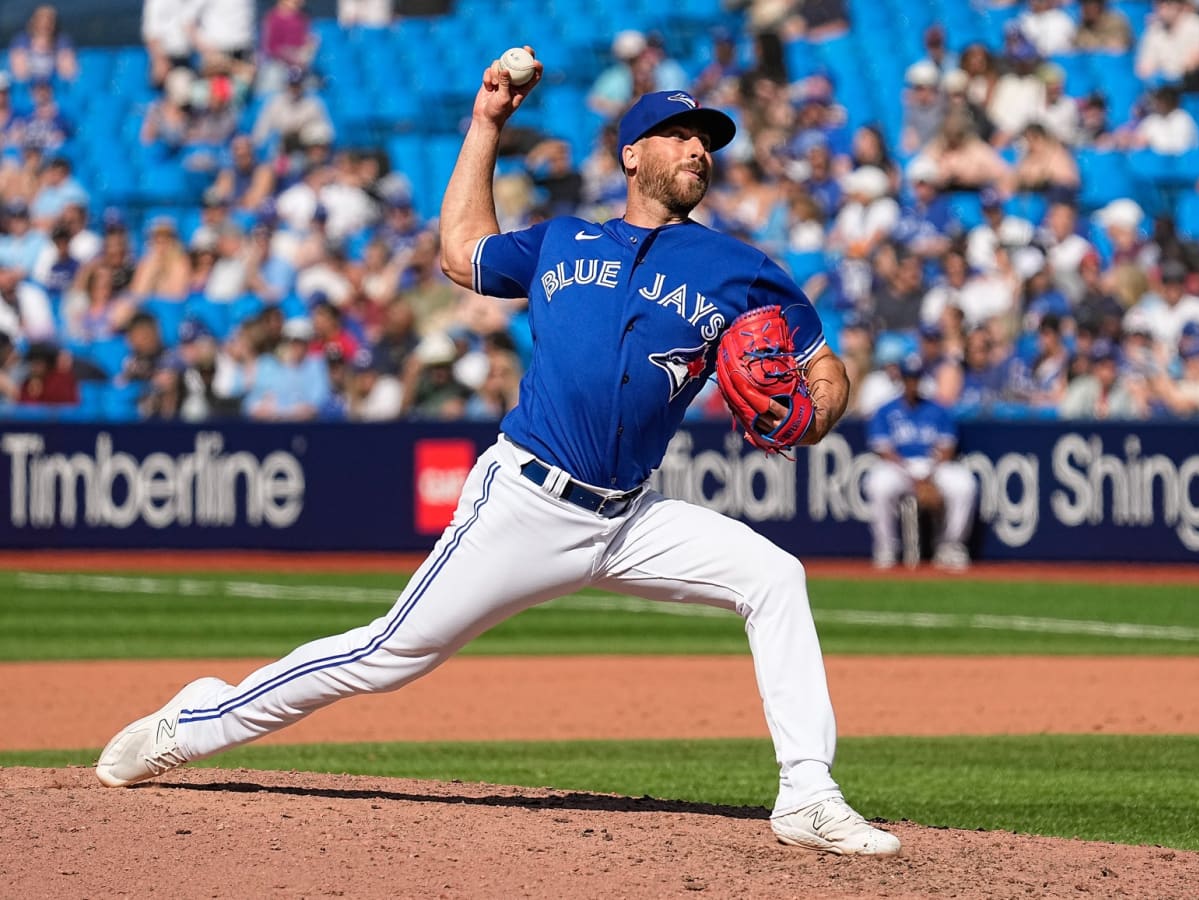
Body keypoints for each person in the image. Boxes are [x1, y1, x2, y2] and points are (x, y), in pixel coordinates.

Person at [95, 58, 901, 858]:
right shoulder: (564, 238)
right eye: (678, 133)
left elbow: (823, 370)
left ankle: (808, 793)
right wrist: (487, 123)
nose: (698, 149)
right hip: (526, 501)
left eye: (706, 139)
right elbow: (461, 252)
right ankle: (193, 723)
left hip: (630, 516)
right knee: (384, 657)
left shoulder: (740, 270)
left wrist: (814, 410)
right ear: (631, 154)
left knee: (775, 577)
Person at [864, 353, 977, 571]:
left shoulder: (937, 409)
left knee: (965, 484)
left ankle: (950, 546)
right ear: (902, 380)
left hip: (932, 466)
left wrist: (929, 475)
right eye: (908, 378)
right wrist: (911, 476)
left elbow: (947, 448)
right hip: (900, 467)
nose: (912, 383)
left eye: (915, 378)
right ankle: (886, 548)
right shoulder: (886, 410)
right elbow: (883, 450)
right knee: (877, 484)